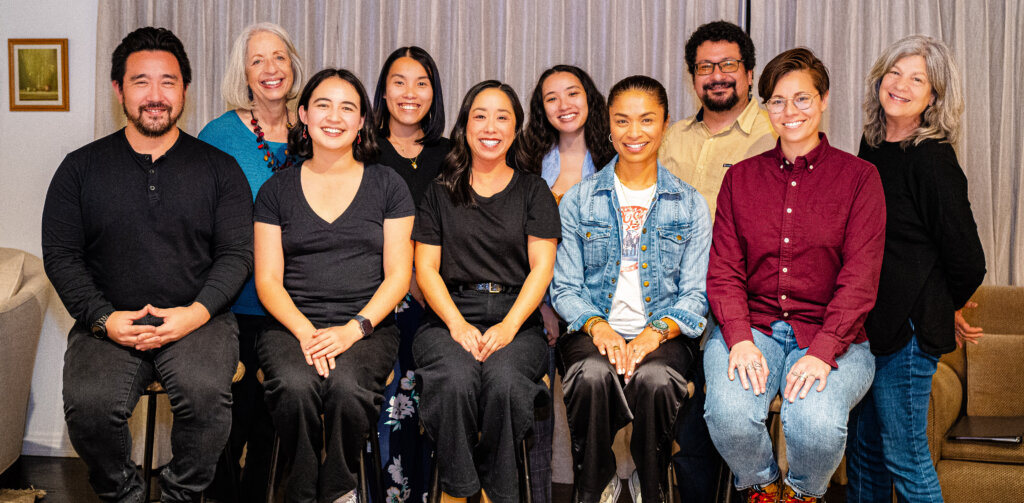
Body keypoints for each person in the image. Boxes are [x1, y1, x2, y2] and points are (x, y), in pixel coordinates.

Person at [41, 27, 252, 502]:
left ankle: (180, 497)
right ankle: (125, 496)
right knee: (90, 406)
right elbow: (61, 255)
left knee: (204, 398)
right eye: (141, 82)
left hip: (199, 319)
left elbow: (237, 254)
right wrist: (103, 318)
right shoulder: (79, 169)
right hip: (110, 319)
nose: (155, 96)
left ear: (184, 90)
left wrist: (195, 314)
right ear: (118, 89)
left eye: (168, 82)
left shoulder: (220, 169)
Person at [702, 48, 885, 503]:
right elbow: (724, 269)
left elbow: (860, 280)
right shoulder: (741, 179)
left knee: (816, 424)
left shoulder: (861, 178)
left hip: (833, 337)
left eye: (802, 98)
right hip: (753, 329)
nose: (790, 112)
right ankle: (763, 488)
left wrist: (823, 351)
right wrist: (739, 337)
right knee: (726, 414)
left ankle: (804, 494)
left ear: (823, 100)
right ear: (766, 108)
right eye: (778, 101)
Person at [253, 68, 414, 503]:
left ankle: (339, 487)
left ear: (362, 121)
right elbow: (267, 279)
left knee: (346, 388)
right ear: (303, 113)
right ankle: (303, 489)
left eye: (348, 107)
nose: (335, 116)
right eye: (323, 105)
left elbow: (400, 274)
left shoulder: (388, 186)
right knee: (294, 386)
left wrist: (352, 330)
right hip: (291, 326)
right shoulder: (275, 190)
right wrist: (308, 333)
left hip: (366, 327)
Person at [551, 75, 711, 503]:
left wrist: (653, 334)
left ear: (665, 123)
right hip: (592, 331)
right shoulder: (579, 199)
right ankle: (595, 479)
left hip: (663, 334)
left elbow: (695, 296)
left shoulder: (690, 203)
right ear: (608, 124)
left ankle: (649, 479)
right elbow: (564, 287)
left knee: (657, 379)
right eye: (622, 121)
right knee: (591, 375)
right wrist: (598, 327)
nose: (634, 133)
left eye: (646, 120)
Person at [845, 35, 986, 503]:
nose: (901, 85)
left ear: (934, 96)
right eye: (894, 72)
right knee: (863, 454)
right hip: (867, 326)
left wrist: (938, 306)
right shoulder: (872, 144)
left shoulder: (933, 159)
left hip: (905, 334)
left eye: (917, 79)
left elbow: (968, 259)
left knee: (904, 457)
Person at [412, 81, 560, 503]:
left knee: (506, 383)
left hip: (517, 319)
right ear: (464, 125)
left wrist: (510, 327)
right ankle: (458, 493)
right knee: (455, 379)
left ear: (516, 128)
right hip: (449, 315)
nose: (490, 126)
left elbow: (542, 268)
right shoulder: (440, 191)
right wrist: (456, 325)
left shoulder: (534, 191)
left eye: (502, 117)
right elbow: (425, 268)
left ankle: (498, 494)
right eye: (480, 115)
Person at [656, 21, 776, 502]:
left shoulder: (774, 135)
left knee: (708, 424)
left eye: (728, 65)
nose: (717, 75)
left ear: (749, 74)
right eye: (706, 67)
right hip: (669, 300)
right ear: (692, 77)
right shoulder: (670, 138)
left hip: (742, 306)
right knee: (669, 420)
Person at [197, 22, 304, 500]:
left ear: (293, 64)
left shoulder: (316, 128)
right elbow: (194, 222)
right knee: (229, 423)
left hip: (296, 306)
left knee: (274, 425)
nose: (270, 69)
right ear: (242, 70)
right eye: (257, 59)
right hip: (233, 304)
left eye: (278, 57)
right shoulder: (218, 135)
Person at [520, 63, 616, 503]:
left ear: (590, 97)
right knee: (538, 406)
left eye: (572, 93)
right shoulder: (526, 163)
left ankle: (604, 489)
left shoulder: (619, 156)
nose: (564, 105)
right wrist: (542, 304)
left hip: (605, 310)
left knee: (594, 403)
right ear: (541, 109)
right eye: (551, 97)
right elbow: (515, 243)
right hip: (537, 305)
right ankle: (539, 493)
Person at [370, 46, 450, 503]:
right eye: (398, 81)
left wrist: (427, 281)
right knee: (388, 407)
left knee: (439, 400)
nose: (410, 93)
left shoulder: (451, 153)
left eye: (421, 83)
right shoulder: (362, 148)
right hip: (382, 297)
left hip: (438, 299)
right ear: (383, 90)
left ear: (434, 93)